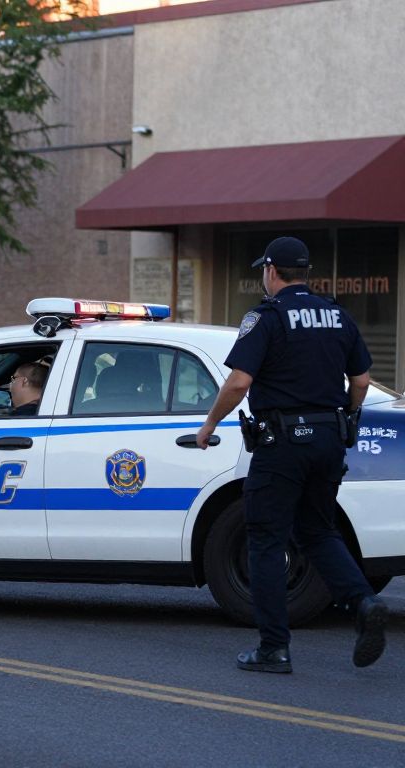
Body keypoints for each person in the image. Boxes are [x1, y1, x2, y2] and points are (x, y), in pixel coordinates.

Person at [195, 236, 388, 673]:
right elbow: (360, 381)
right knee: (319, 531)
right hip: (327, 440)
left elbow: (239, 383)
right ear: (305, 272)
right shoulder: (338, 315)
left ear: (271, 272)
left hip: (282, 443)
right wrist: (349, 419)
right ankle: (363, 601)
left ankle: (273, 648)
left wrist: (208, 425)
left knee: (264, 538)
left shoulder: (265, 317)